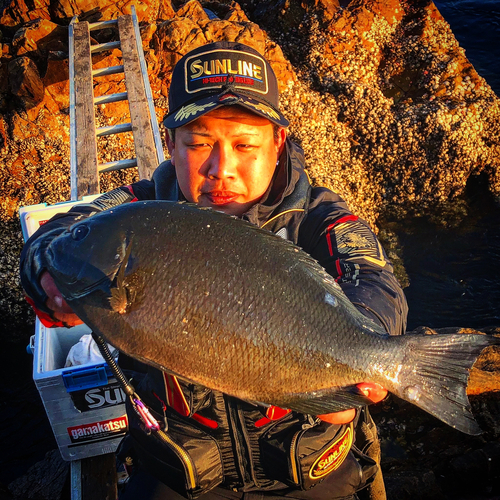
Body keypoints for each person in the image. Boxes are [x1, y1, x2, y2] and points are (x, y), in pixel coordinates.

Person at [20, 41, 408, 500]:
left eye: (245, 144)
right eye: (199, 143)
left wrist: (365, 356)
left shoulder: (319, 215)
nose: (222, 168)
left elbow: (376, 280)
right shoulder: (137, 212)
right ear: (169, 144)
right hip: (179, 469)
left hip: (313, 466)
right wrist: (44, 273)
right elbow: (61, 233)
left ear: (278, 141)